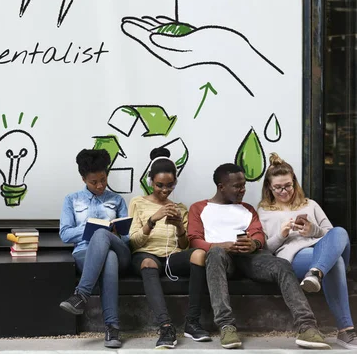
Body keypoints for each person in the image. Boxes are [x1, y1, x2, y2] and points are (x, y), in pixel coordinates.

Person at [188, 163, 329, 349]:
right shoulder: (199, 208)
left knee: (281, 265)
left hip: (250, 257)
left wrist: (253, 243)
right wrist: (220, 245)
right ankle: (226, 326)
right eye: (237, 186)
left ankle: (307, 326)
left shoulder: (248, 209)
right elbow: (194, 240)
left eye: (244, 185)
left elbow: (258, 235)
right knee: (214, 254)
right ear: (221, 187)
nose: (243, 190)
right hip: (221, 258)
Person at [258, 153, 357, 349]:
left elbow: (334, 236)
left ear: (294, 182)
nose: (284, 191)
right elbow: (265, 250)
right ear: (269, 188)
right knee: (336, 262)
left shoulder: (310, 204)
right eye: (277, 187)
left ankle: (316, 273)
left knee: (340, 231)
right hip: (294, 256)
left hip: (322, 250)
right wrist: (282, 234)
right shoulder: (263, 212)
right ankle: (346, 331)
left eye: (288, 185)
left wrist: (312, 230)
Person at [128, 147, 210, 348]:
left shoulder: (180, 208)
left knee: (199, 254)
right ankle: (165, 326)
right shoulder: (137, 203)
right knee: (148, 262)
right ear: (150, 182)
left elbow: (184, 246)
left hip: (172, 258)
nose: (165, 190)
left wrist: (180, 227)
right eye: (159, 185)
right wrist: (152, 220)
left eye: (170, 185)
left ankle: (192, 322)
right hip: (146, 256)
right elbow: (133, 242)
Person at [59, 149, 131, 349]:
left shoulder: (117, 200)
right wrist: (91, 226)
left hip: (120, 251)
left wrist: (111, 232)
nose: (100, 185)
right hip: (86, 253)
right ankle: (112, 327)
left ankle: (81, 295)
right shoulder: (71, 200)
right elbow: (65, 234)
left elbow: (127, 239)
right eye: (94, 182)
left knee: (104, 239)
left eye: (103, 179)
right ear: (83, 179)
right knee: (108, 258)